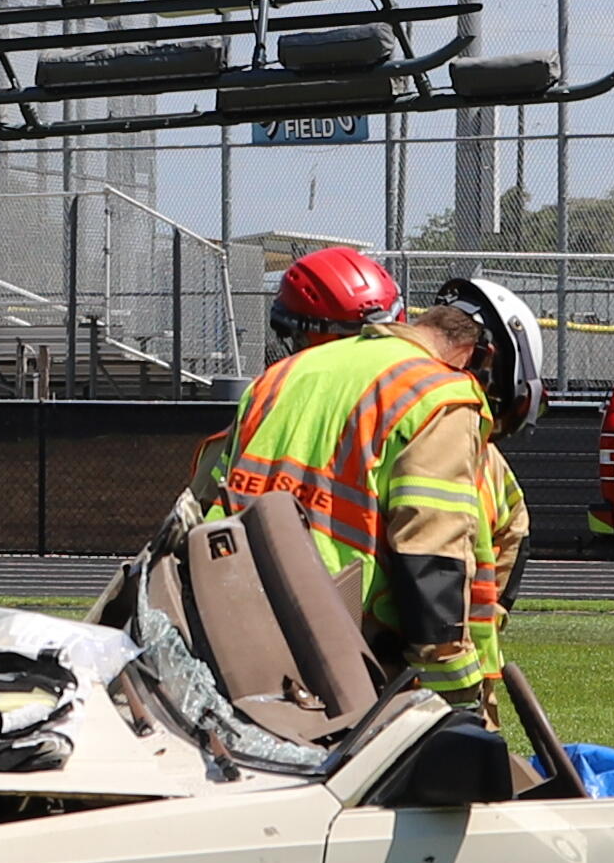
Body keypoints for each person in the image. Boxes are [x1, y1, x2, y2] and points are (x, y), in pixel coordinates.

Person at [210, 247, 535, 726]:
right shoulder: (441, 394)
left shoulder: (281, 377)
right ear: (481, 358)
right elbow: (430, 559)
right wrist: (458, 703)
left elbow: (206, 503)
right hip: (337, 662)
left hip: (229, 637)